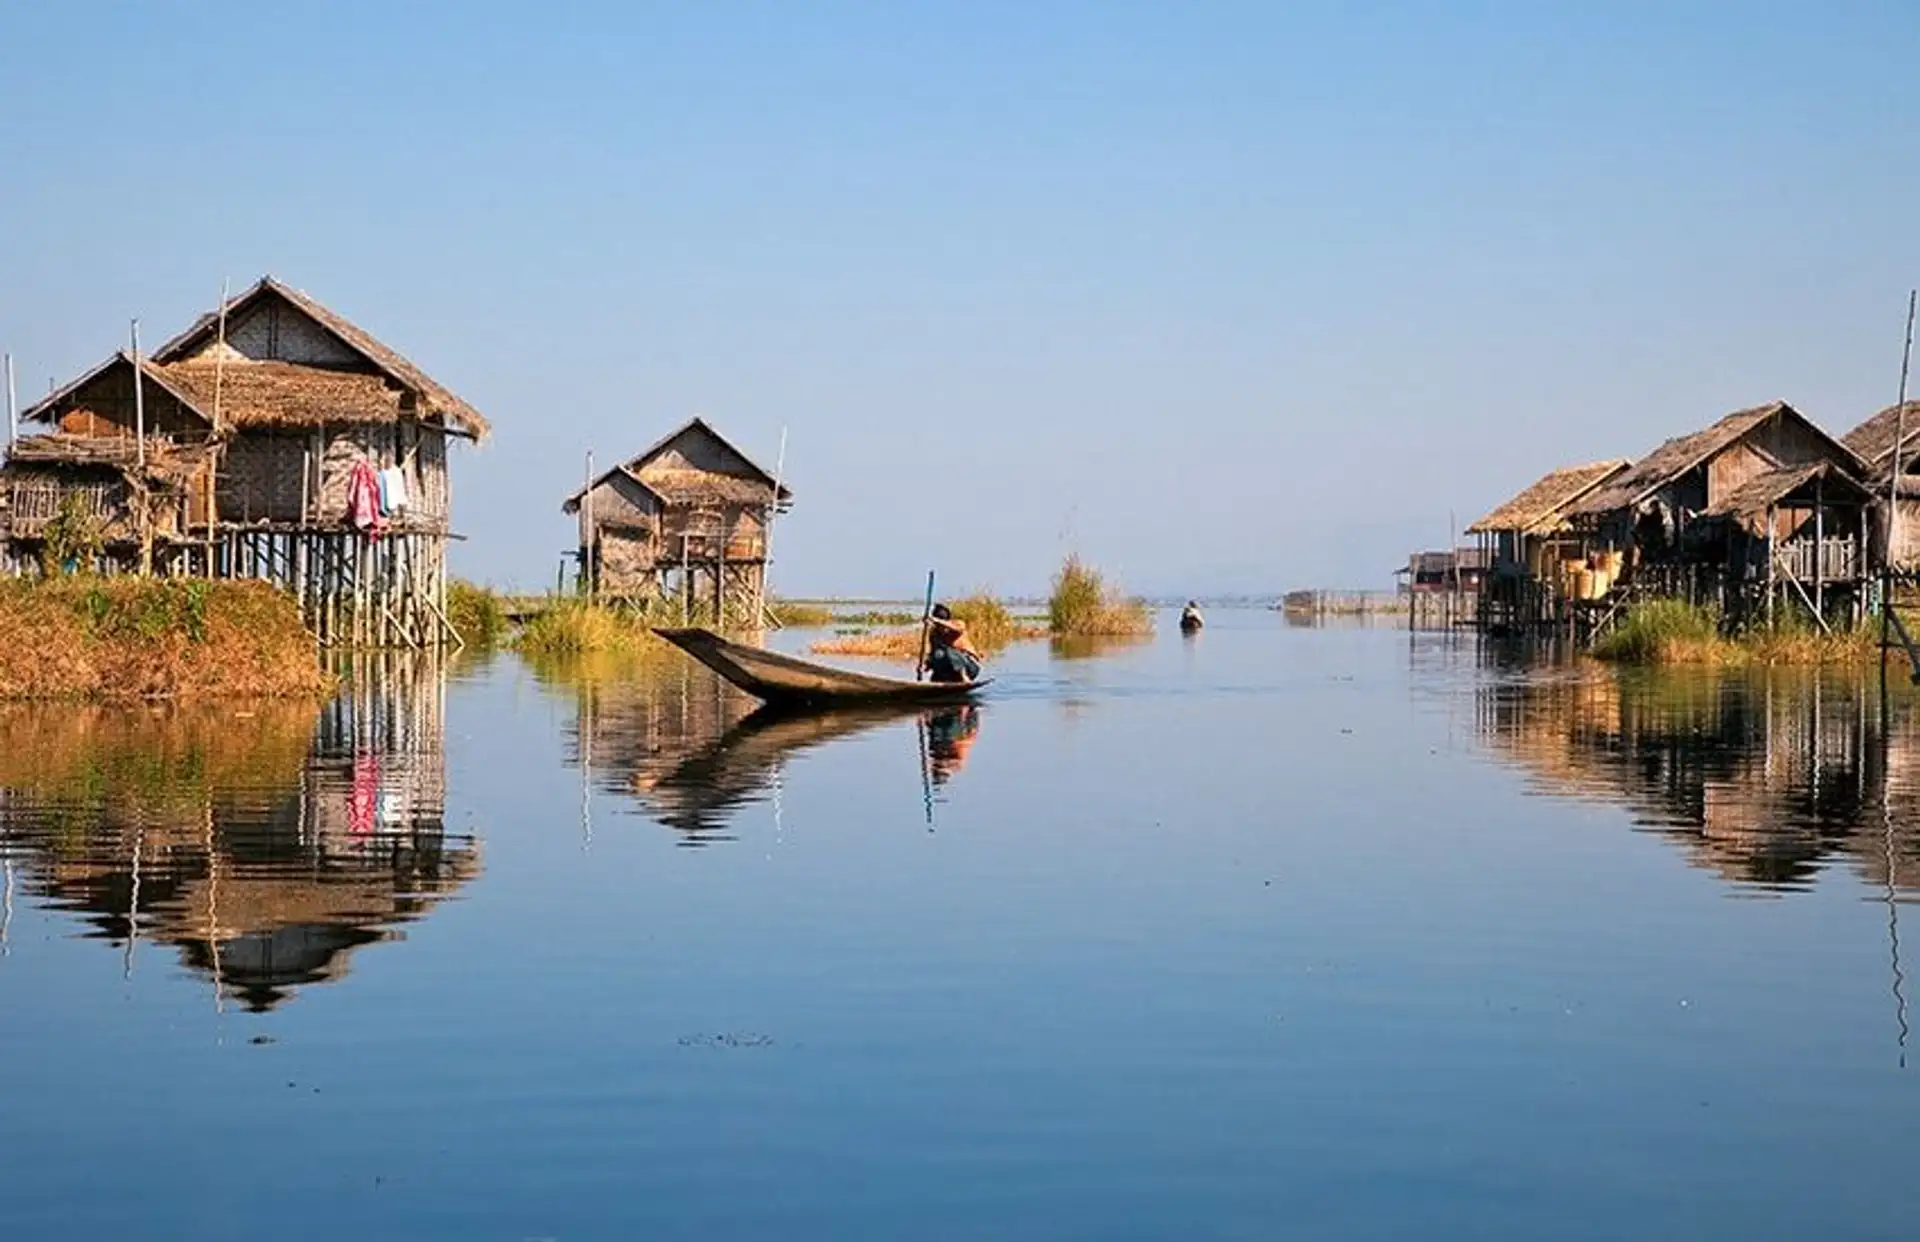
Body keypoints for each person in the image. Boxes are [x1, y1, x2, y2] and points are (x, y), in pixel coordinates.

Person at [922, 603, 983, 683]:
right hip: (950, 668)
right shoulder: (934, 634)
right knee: (938, 653)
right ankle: (938, 681)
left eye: (942, 625)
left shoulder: (958, 624)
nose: (941, 629)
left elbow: (958, 629)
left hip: (970, 667)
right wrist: (925, 666)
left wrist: (938, 620)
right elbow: (933, 652)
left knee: (948, 650)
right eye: (938, 626)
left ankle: (964, 677)